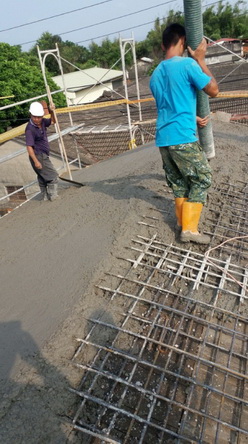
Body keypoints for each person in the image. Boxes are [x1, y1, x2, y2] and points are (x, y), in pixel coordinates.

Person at [150, 23, 219, 244]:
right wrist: (200, 59)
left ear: (163, 44)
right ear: (182, 41)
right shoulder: (188, 64)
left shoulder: (155, 74)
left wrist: (192, 117)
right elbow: (213, 90)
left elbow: (170, 105)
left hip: (164, 138)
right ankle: (189, 230)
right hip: (183, 137)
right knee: (202, 178)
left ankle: (181, 223)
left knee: (178, 182)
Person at [25, 101, 58, 201]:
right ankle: (53, 197)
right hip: (38, 155)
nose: (36, 119)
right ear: (30, 115)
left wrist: (52, 111)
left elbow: (53, 121)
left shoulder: (42, 121)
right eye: (34, 116)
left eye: (38, 117)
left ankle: (44, 197)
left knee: (42, 176)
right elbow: (29, 147)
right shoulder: (30, 129)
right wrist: (36, 161)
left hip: (42, 154)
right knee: (52, 176)